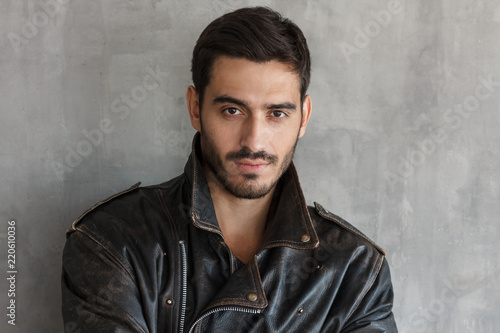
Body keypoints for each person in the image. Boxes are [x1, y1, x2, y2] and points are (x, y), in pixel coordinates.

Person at [61, 6, 397, 332]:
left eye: (276, 114)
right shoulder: (113, 241)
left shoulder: (355, 269)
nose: (254, 140)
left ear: (303, 117)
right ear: (196, 108)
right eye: (233, 111)